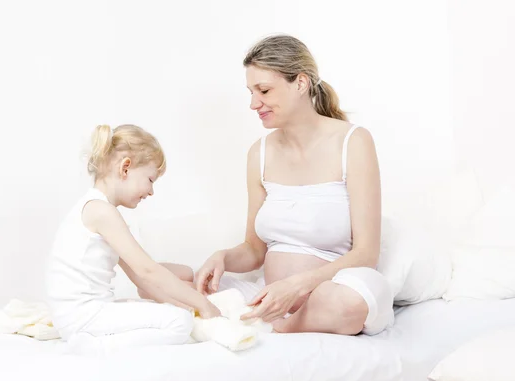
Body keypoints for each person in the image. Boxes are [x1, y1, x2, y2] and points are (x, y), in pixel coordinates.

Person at [195, 35, 394, 336]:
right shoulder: (258, 154)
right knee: (172, 282)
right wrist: (222, 257)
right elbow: (254, 250)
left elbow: (366, 254)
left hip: (329, 292)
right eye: (251, 92)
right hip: (273, 295)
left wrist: (296, 286)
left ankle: (278, 330)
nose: (253, 103)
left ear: (300, 84)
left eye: (263, 90)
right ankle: (270, 319)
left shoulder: (353, 142)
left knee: (347, 303)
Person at [46, 124, 220, 354]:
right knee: (179, 324)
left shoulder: (98, 209)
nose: (151, 192)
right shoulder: (101, 211)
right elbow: (148, 270)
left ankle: (89, 339)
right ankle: (92, 347)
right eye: (150, 179)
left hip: (77, 315)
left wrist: (183, 304)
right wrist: (204, 305)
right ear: (126, 167)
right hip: (84, 316)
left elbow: (140, 277)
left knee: (173, 314)